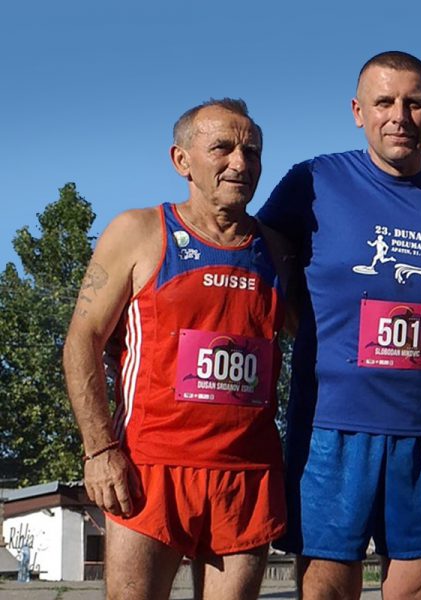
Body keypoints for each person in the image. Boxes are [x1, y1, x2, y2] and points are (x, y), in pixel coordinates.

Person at [257, 51, 421, 600]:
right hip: (329, 428)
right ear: (357, 111)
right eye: (384, 102)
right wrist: (308, 333)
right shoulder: (313, 180)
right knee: (327, 590)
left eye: (415, 104)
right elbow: (260, 264)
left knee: (418, 588)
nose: (400, 117)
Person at [63, 98, 291, 600]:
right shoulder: (139, 231)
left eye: (252, 151)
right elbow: (82, 340)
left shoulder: (277, 250)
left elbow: (323, 336)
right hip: (150, 469)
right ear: (181, 160)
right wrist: (99, 449)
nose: (240, 163)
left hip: (246, 473)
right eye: (222, 148)